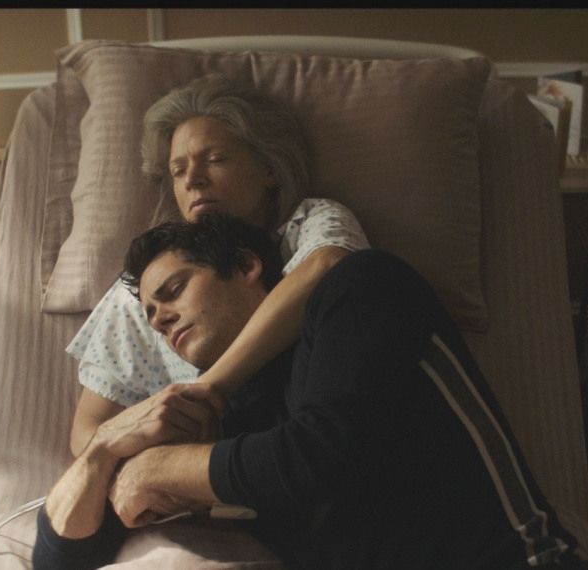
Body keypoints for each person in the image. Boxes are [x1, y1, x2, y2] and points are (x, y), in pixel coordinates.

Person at [35, 214, 588, 570]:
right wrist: (105, 449)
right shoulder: (228, 425)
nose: (161, 320)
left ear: (247, 266)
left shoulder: (362, 290)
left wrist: (159, 469)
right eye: (152, 318)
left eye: (174, 290)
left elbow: (317, 455)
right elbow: (60, 558)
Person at [66, 74, 370, 456]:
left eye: (215, 159)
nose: (193, 180)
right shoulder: (144, 287)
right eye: (178, 171)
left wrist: (208, 388)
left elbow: (330, 266)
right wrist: (158, 446)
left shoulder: (306, 225)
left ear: (269, 168)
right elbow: (87, 434)